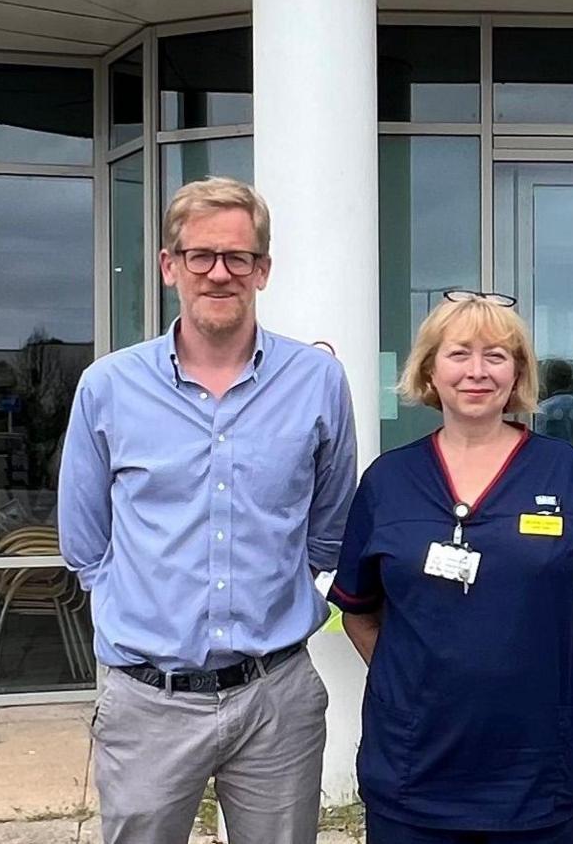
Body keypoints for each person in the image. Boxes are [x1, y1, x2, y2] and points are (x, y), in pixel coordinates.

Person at [58, 176, 358, 844]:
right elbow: (84, 544)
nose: (219, 273)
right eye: (200, 256)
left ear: (263, 269)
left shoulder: (317, 382)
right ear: (170, 265)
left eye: (238, 257)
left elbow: (329, 528)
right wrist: (144, 619)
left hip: (276, 693)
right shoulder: (108, 386)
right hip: (146, 700)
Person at [331, 290, 573, 844]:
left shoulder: (561, 472)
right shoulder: (388, 482)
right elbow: (359, 611)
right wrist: (417, 680)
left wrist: (558, 676)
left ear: (517, 373)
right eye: (459, 354)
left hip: (539, 772)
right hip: (414, 771)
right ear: (429, 369)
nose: (477, 371)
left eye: (496, 356)